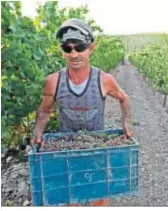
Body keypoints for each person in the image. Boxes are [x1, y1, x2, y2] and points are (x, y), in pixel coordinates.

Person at [30, 18, 133, 206]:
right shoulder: (54, 81)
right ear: (62, 51)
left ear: (91, 48)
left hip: (96, 148)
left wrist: (126, 122)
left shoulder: (103, 79)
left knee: (100, 197)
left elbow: (124, 98)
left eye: (79, 47)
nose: (74, 54)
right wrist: (38, 129)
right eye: (67, 49)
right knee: (71, 196)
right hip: (66, 149)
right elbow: (45, 111)